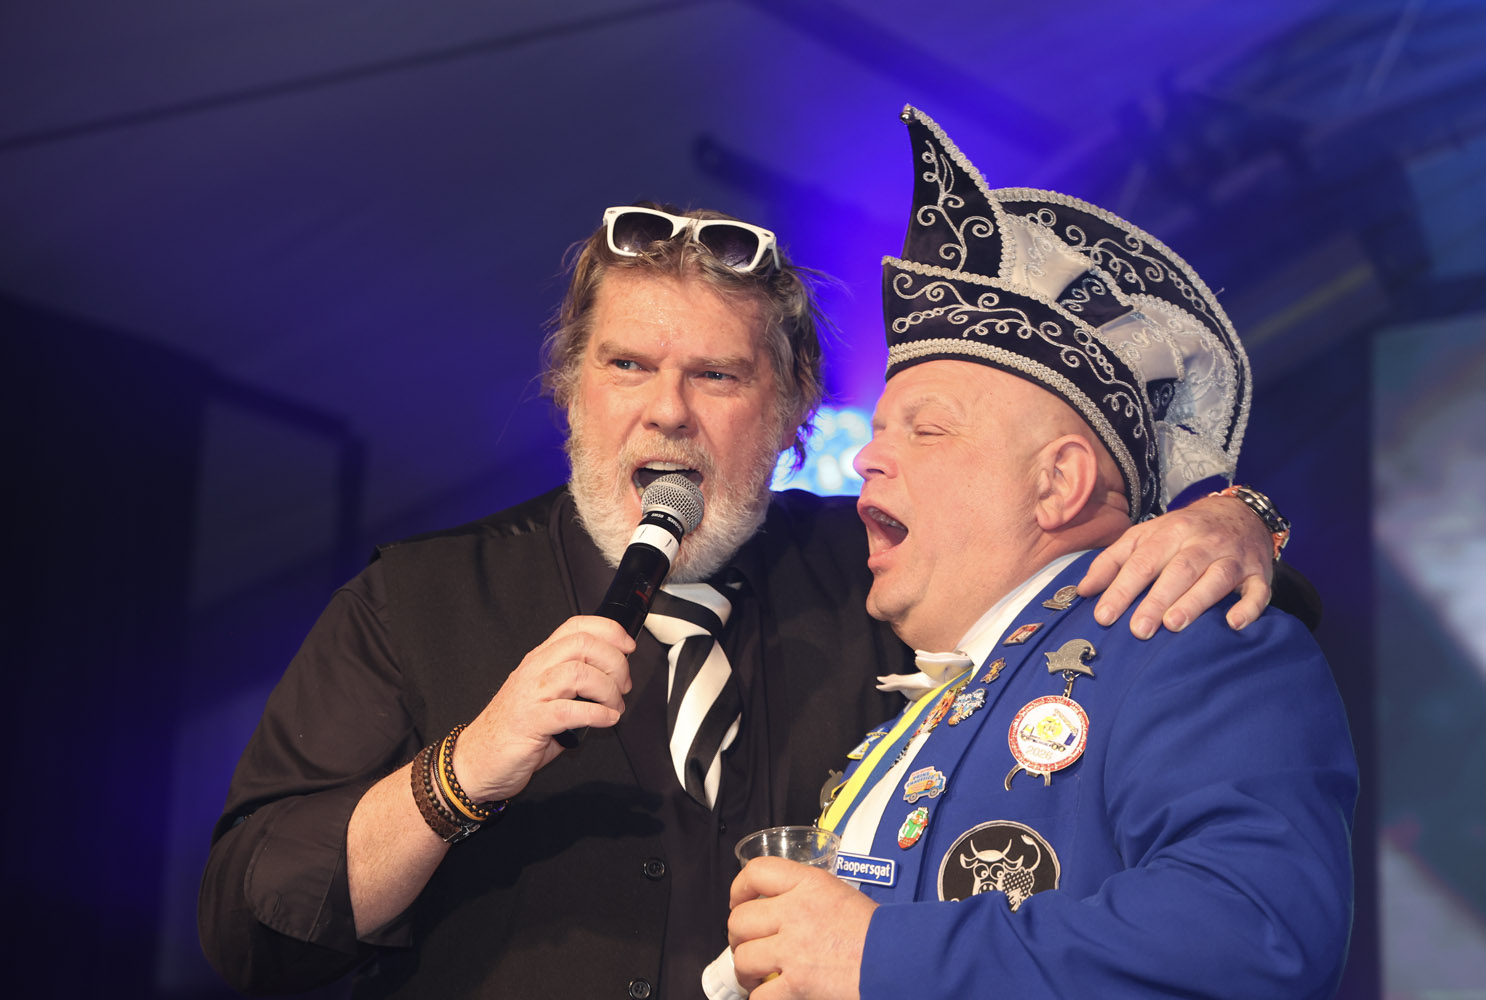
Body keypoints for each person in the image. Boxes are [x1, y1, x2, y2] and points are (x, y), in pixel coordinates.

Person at [198, 191, 1302, 997]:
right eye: (627, 366)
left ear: (790, 415)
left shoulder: (881, 568)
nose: (667, 411)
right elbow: (255, 928)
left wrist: (1233, 517)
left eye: (717, 376)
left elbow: (1083, 583)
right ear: (569, 391)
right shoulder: (417, 597)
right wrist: (465, 767)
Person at [720, 107, 1356, 1000]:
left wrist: (878, 956)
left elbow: (1259, 932)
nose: (865, 458)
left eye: (926, 430)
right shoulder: (924, 705)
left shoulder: (1193, 642)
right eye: (879, 429)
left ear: (1059, 483)